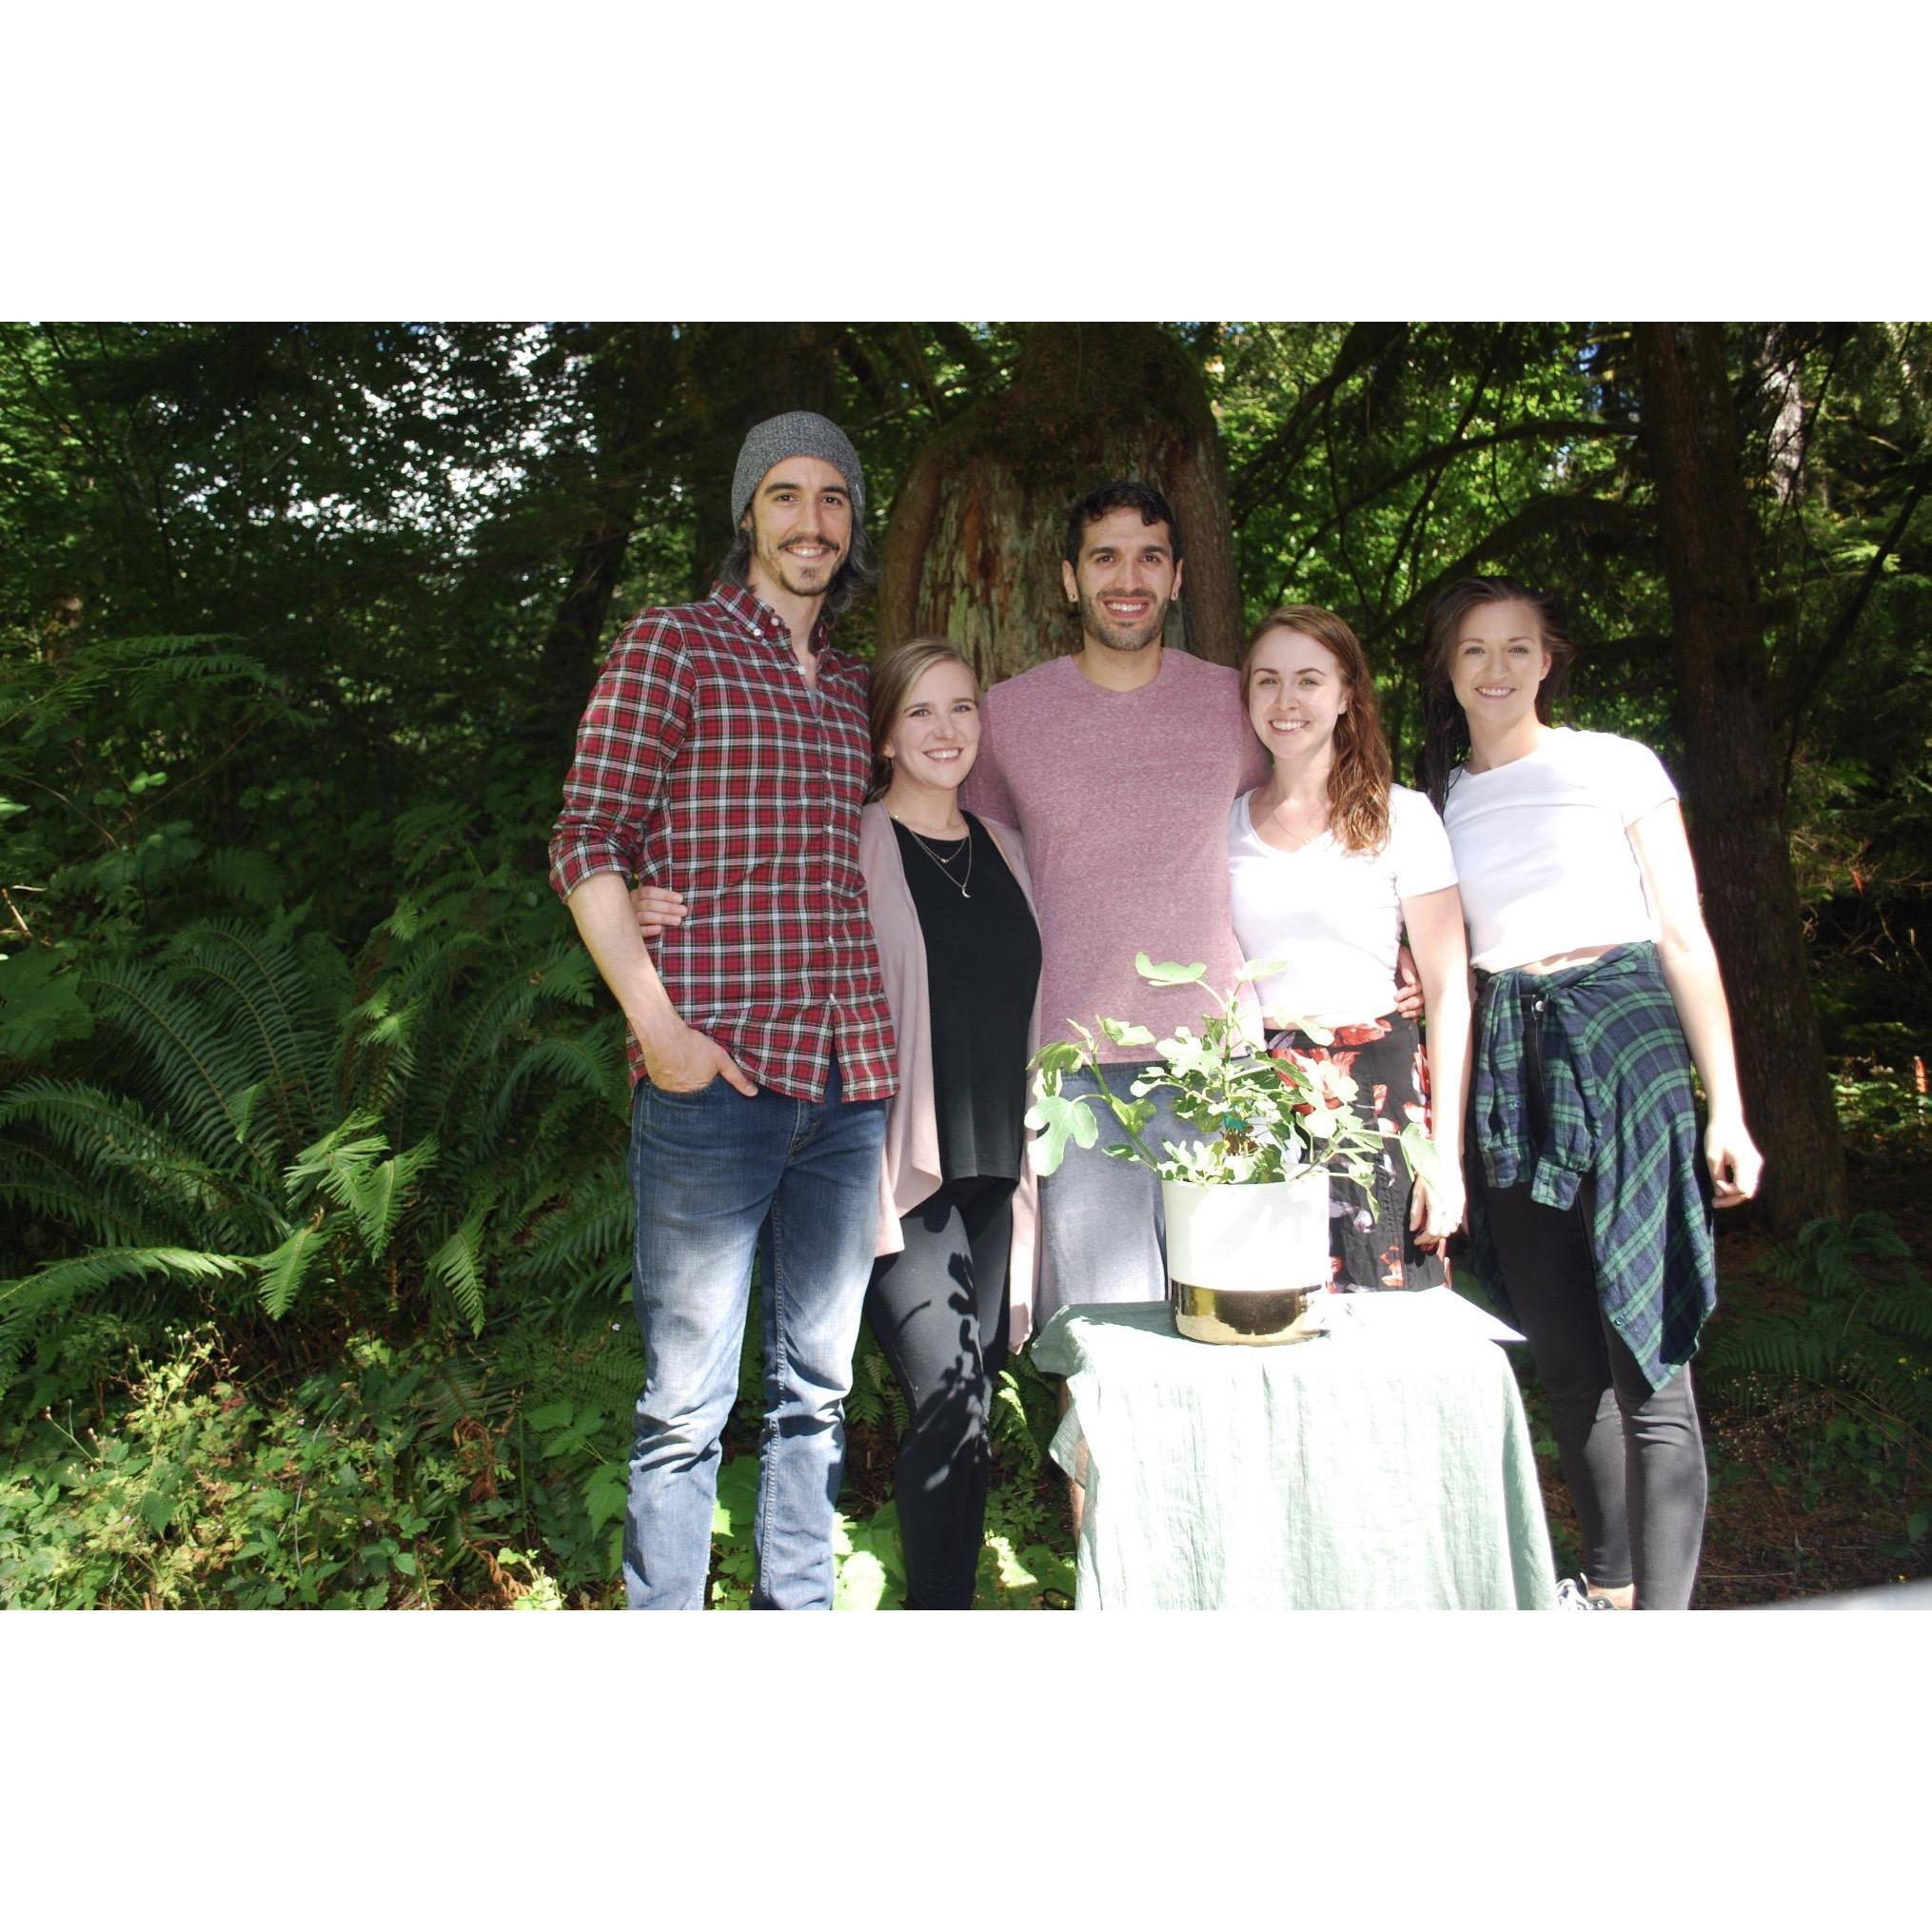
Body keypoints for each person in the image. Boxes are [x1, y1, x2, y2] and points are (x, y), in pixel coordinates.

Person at [547, 410, 896, 1611]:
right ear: (747, 513)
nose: (811, 520)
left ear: (852, 524)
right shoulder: (675, 643)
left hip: (848, 1084)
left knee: (819, 1391)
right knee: (685, 1404)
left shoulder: (855, 687)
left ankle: (794, 1614)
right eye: (786, 496)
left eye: (833, 498)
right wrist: (660, 1032)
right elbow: (586, 841)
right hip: (714, 1080)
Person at [1417, 575, 1764, 1611]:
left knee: (1645, 1352)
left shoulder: (1615, 764)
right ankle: (1608, 1590)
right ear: (1445, 668)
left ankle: (1663, 1627)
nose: (1495, 668)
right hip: (1510, 1062)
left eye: (1516, 646)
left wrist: (1727, 1105)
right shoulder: (1441, 803)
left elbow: (1684, 935)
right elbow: (1434, 958)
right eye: (1473, 649)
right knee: (1565, 1353)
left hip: (1626, 1041)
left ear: (1548, 656)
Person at [958, 481, 1272, 1326]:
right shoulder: (1012, 714)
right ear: (1069, 579)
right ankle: (1093, 1471)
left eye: (1149, 557)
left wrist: (1389, 948)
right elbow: (961, 874)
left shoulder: (1237, 703)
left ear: (1177, 580)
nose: (1127, 577)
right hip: (1078, 1075)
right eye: (1105, 557)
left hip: (1225, 1072)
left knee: (1236, 1316)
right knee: (1100, 1340)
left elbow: (1304, 834)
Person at [858, 639, 1043, 1608]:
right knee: (947, 1391)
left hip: (1000, 1173)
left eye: (961, 707)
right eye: (921, 711)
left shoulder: (1006, 846)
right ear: (885, 731)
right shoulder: (849, 847)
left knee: (971, 1404)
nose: (944, 729)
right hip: (900, 1172)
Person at [1229, 605, 1469, 1291]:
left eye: (1309, 680)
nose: (1286, 701)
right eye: (1267, 681)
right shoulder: (1218, 826)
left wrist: (1443, 1155)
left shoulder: (1404, 817)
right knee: (1265, 1319)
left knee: (1392, 1329)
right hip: (1256, 1098)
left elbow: (1449, 989)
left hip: (1380, 1095)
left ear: (1347, 697)